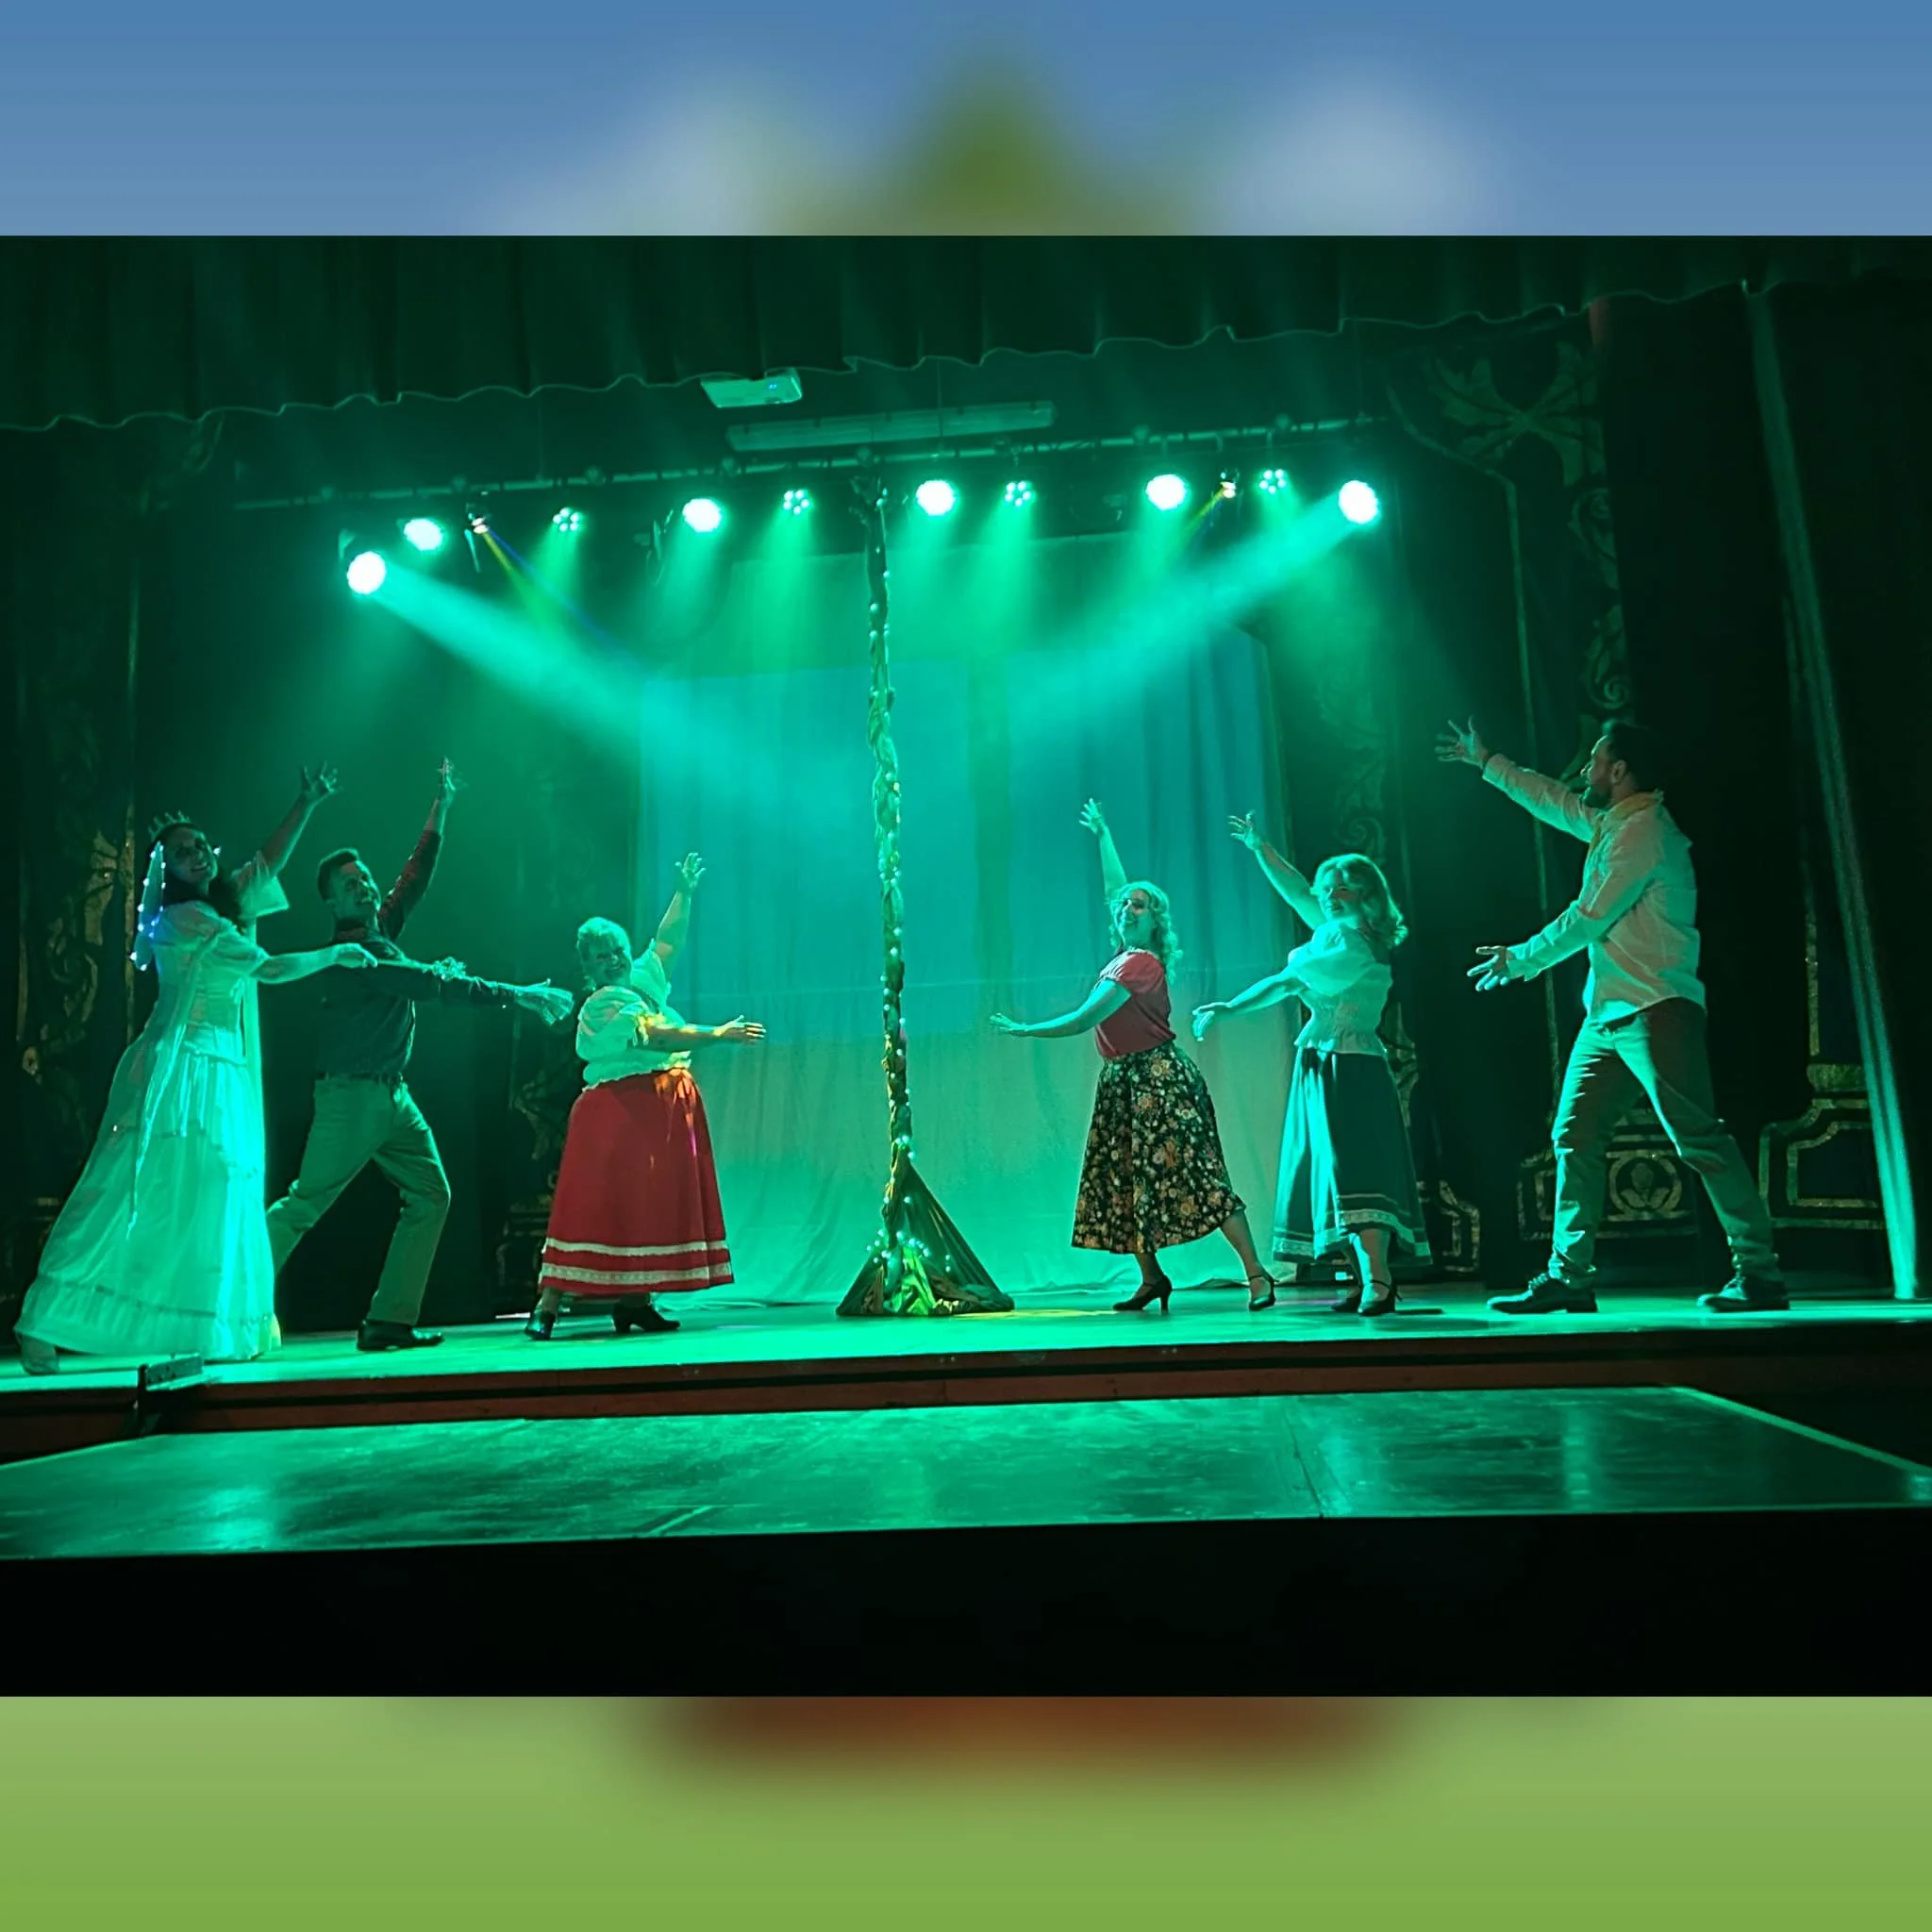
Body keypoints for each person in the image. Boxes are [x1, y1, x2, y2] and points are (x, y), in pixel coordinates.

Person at [15, 772, 375, 1374]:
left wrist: (305, 803)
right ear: (168, 870)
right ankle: (47, 1317)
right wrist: (334, 953)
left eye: (201, 844)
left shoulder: (217, 907)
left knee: (214, 1194)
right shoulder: (183, 922)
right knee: (129, 1191)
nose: (198, 854)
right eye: (183, 852)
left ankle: (212, 1322)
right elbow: (268, 969)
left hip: (220, 1071)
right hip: (179, 1072)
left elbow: (262, 866)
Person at [1438, 716, 1786, 1314]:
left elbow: (1589, 916)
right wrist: (1489, 763)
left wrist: (1520, 958)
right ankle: (1569, 1278)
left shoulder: (1644, 834)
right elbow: (1555, 800)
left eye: (1596, 760)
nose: (1587, 770)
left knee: (1699, 1138)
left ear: (1619, 771)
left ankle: (1759, 1273)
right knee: (1574, 1136)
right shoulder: (1613, 825)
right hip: (1609, 1015)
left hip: (1658, 1008)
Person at [264, 760, 575, 1354]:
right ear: (331, 903)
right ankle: (226, 1295)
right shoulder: (355, 953)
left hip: (390, 1095)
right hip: (352, 1096)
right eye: (349, 885)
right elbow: (435, 986)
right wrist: (523, 995)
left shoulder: (380, 928)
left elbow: (413, 877)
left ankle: (388, 1320)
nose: (365, 887)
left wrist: (443, 807)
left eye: (364, 879)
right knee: (303, 1205)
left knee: (432, 1193)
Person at [989, 799, 1277, 1312]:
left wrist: (1028, 1029)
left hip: (1159, 1081)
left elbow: (1084, 1018)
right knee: (1125, 1179)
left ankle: (1257, 1274)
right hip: (1123, 1081)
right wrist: (1103, 834)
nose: (1127, 909)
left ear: (1155, 921)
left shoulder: (1140, 964)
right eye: (1125, 906)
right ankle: (1151, 1279)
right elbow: (1113, 889)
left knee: (1200, 1177)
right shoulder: (1125, 954)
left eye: (1139, 906)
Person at [1191, 821, 1432, 1317]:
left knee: (1355, 1170)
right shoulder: (1331, 934)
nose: (1331, 896)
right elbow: (1298, 890)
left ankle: (1380, 1279)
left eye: (1343, 886)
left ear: (1367, 893)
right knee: (1325, 1173)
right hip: (1320, 1063)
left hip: (1350, 1067)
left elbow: (1286, 982)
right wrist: (1262, 848)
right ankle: (1362, 1276)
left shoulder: (1354, 947)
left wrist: (1228, 1009)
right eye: (1329, 888)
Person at [525, 862, 763, 1341]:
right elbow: (654, 1036)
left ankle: (636, 1301)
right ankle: (548, 1304)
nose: (613, 959)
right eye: (601, 955)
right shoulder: (602, 1005)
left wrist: (684, 893)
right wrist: (716, 1034)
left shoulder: (642, 982)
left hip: (657, 1111)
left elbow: (667, 942)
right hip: (617, 1114)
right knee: (593, 1204)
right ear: (587, 967)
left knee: (646, 1206)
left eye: (617, 950)